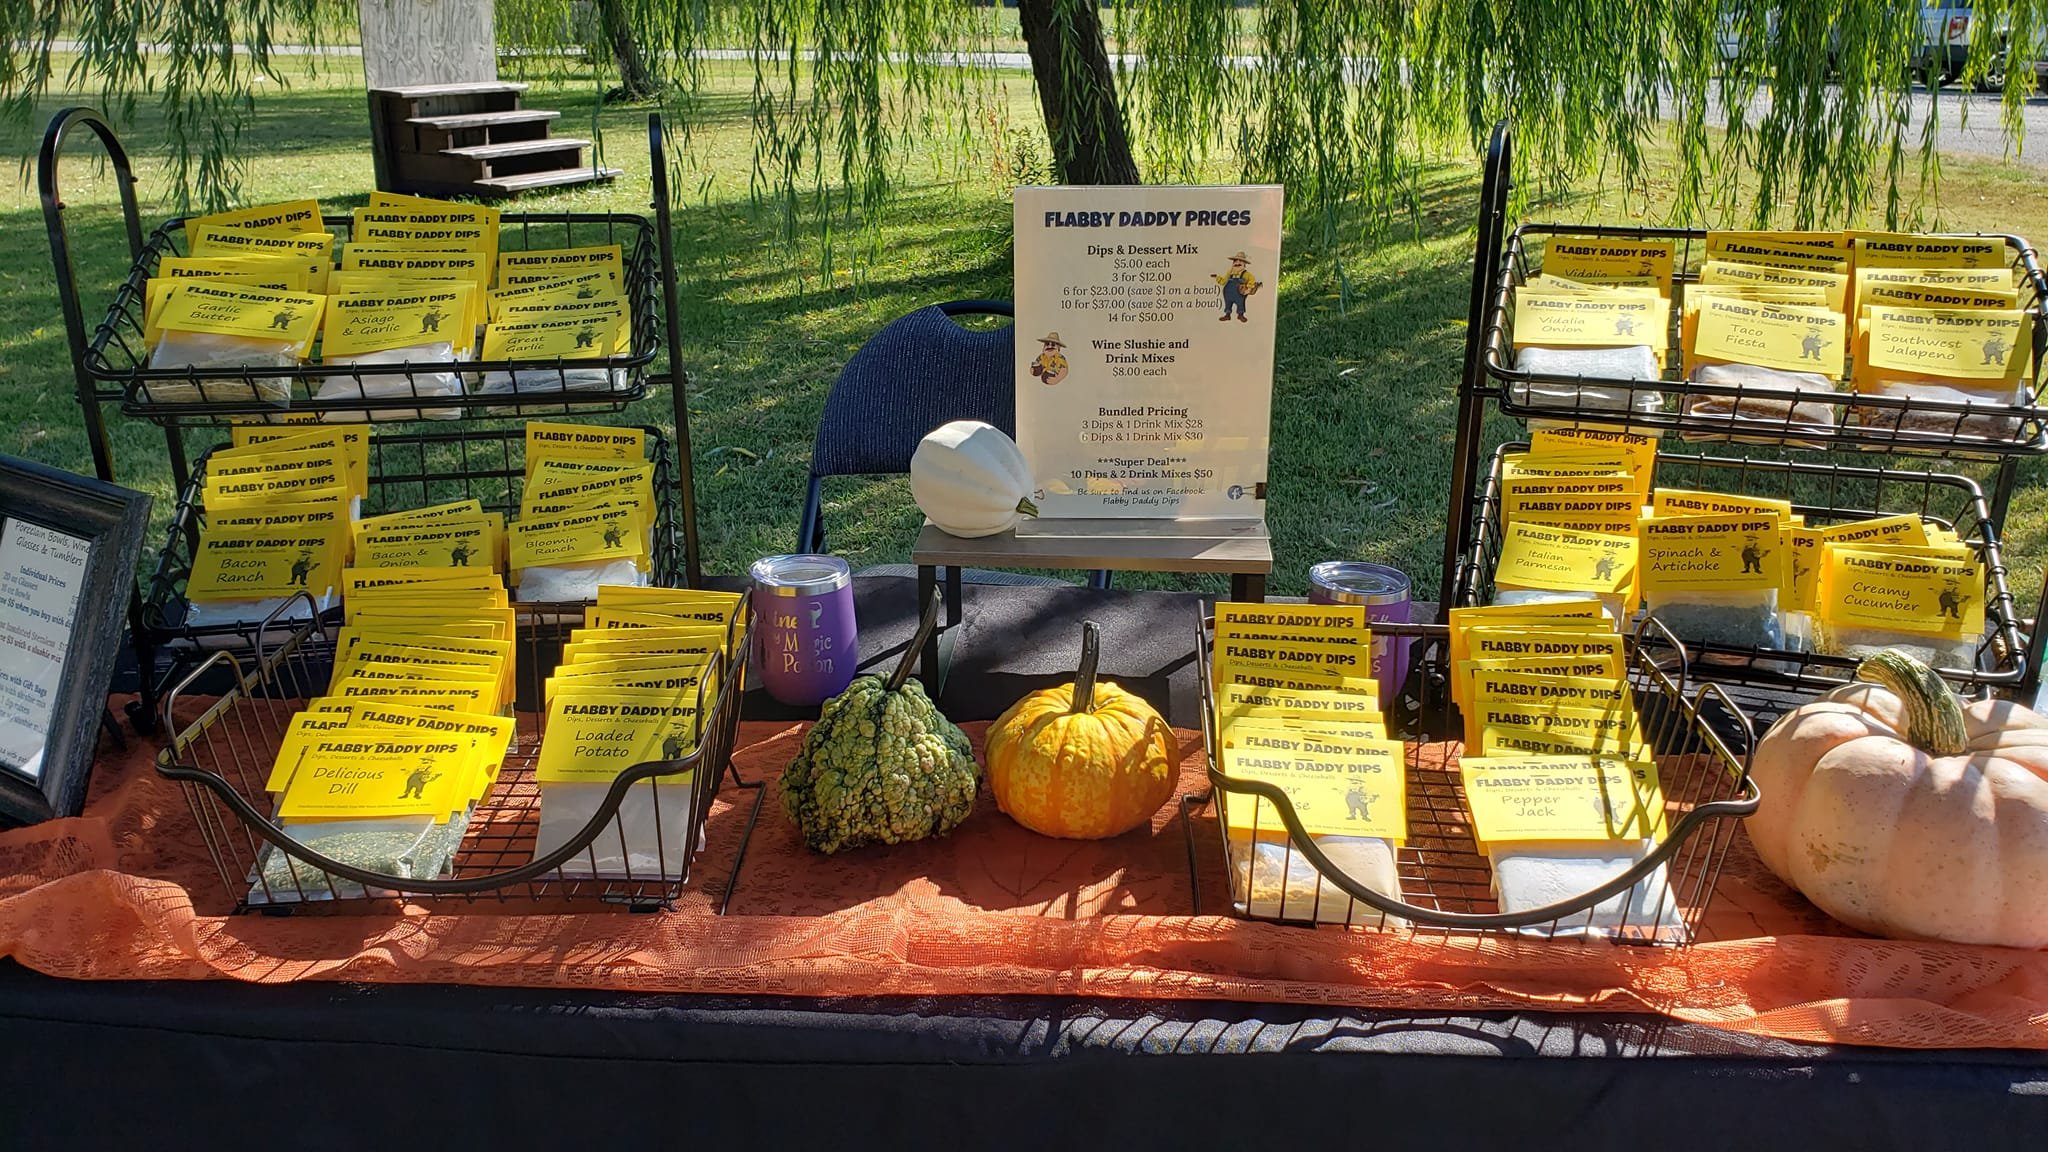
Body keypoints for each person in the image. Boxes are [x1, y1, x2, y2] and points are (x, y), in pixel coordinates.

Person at [1214, 252, 1259, 322]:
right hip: (1228, 293)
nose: (1237, 263)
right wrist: (1217, 277)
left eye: (1240, 261)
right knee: (1228, 303)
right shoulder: (1230, 272)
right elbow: (1223, 281)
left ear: (1244, 264)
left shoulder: (1247, 274)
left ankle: (1240, 315)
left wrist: (1248, 288)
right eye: (1235, 261)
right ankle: (1227, 315)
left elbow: (1252, 280)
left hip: (1239, 293)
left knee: (1240, 303)